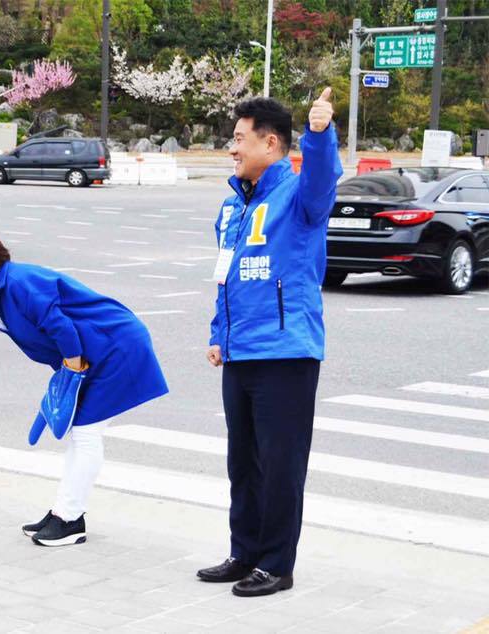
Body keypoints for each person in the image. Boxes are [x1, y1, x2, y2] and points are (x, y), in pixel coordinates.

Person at [0, 222, 168, 547]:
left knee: (85, 434)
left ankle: (70, 519)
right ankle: (64, 512)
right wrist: (68, 371)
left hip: (114, 348)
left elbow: (59, 326)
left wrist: (72, 370)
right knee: (81, 435)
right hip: (96, 353)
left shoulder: (18, 282)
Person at [198, 88, 343, 597]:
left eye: (240, 139)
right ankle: (244, 553)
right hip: (240, 353)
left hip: (286, 352)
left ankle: (277, 565)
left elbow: (323, 178)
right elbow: (227, 278)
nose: (232, 148)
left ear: (271, 143)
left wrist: (320, 134)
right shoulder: (232, 207)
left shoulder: (300, 197)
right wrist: (219, 335)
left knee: (281, 465)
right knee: (243, 463)